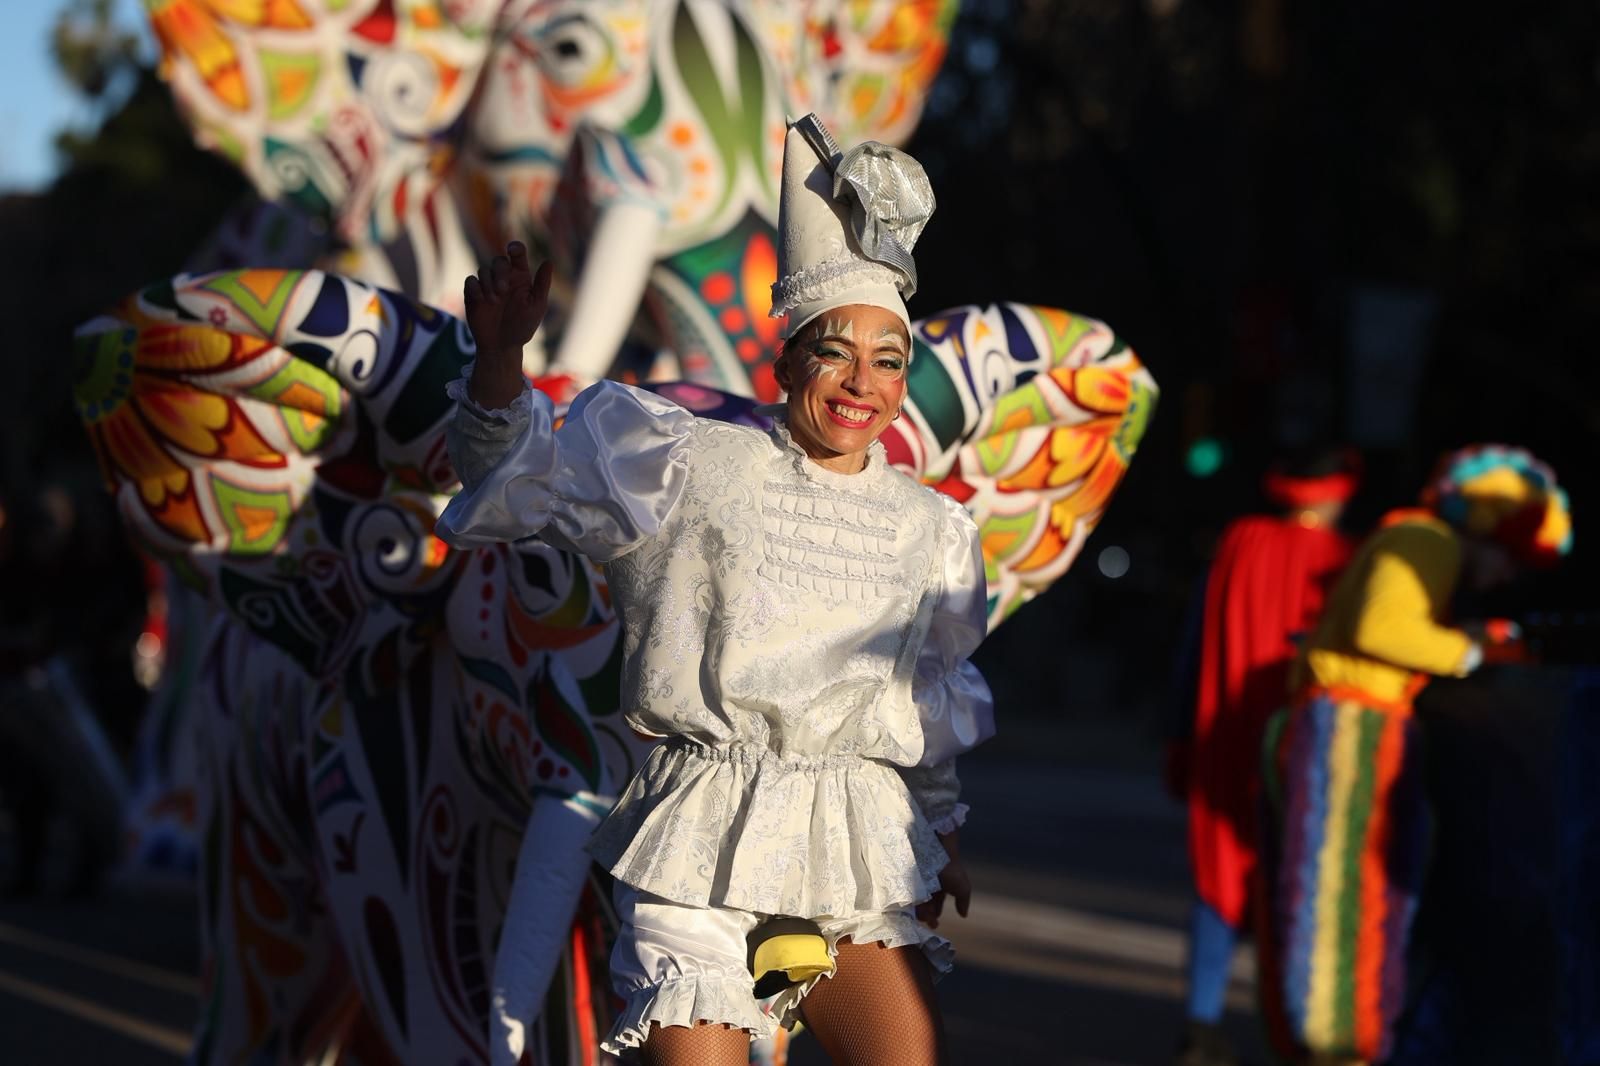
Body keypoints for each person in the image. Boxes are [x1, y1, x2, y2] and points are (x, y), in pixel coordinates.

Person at [438, 114, 987, 1065]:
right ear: (786, 362)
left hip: (852, 850)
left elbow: (921, 695)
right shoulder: (684, 463)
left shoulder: (927, 529)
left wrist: (935, 829)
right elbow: (514, 483)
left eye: (888, 358)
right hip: (696, 844)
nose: (863, 382)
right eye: (834, 350)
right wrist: (498, 363)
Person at [1258, 445, 1573, 1066]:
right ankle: (1337, 1049)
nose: (1507, 576)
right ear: (1492, 531)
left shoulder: (1421, 542)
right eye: (1511, 557)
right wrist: (1471, 652)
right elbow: (1382, 631)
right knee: (1342, 898)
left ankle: (1338, 1044)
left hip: (1354, 724)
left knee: (1355, 897)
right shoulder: (1428, 541)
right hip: (1351, 726)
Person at [1170, 450, 1360, 1066]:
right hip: (1308, 742)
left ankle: (1202, 1024)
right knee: (1301, 879)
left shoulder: (1240, 541)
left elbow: (1194, 642)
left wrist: (1179, 730)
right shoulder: (1346, 559)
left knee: (1218, 875)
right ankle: (1299, 1027)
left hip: (1226, 734)